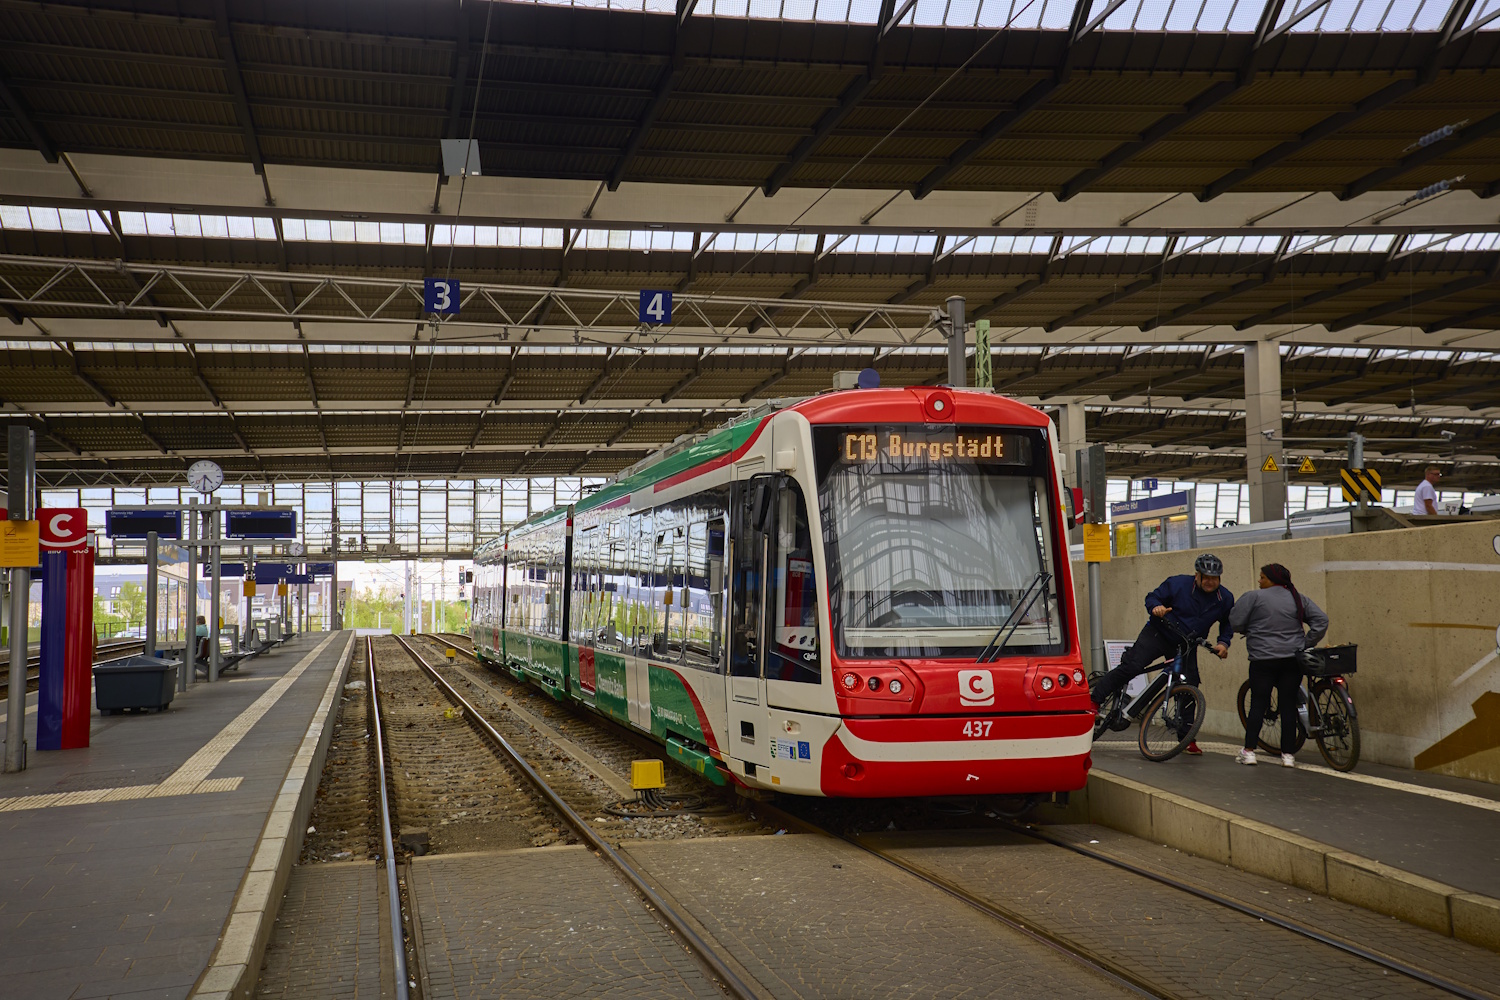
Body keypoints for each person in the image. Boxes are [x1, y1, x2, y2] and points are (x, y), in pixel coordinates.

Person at [1089, 553, 1234, 755]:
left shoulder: (1224, 598)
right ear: (1196, 575)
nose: (1210, 581)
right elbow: (1152, 596)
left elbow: (1227, 623)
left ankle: (1186, 738)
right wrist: (1155, 607)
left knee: (1190, 685)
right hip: (1160, 633)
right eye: (1206, 577)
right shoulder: (1177, 584)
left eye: (1214, 578)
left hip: (1188, 643)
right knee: (1133, 666)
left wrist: (1223, 642)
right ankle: (1095, 700)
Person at [1229, 563, 1329, 768]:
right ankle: (1288, 755)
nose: (1259, 581)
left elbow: (1235, 621)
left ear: (1272, 579)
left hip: (1262, 660)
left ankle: (1249, 752)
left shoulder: (1253, 597)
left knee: (1258, 703)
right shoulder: (1297, 598)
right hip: (1292, 660)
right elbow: (1321, 620)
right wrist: (1305, 643)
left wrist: (1250, 629)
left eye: (1262, 577)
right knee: (1288, 705)